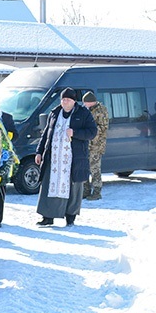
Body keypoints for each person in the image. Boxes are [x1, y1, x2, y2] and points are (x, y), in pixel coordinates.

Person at [35, 87, 98, 225]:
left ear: (74, 101)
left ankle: (70, 216)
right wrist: (39, 151)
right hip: (54, 158)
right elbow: (46, 134)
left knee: (72, 188)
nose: (65, 102)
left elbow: (92, 132)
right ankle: (48, 216)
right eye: (63, 99)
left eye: (68, 99)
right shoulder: (54, 113)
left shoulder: (83, 113)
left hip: (73, 158)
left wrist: (75, 133)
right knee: (49, 185)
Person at [82, 91, 110, 200]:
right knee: (84, 168)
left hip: (96, 145)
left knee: (95, 169)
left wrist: (88, 131)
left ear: (91, 102)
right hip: (86, 144)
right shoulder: (86, 110)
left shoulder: (101, 110)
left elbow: (103, 128)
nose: (84, 104)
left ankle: (97, 192)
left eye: (85, 103)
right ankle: (86, 190)